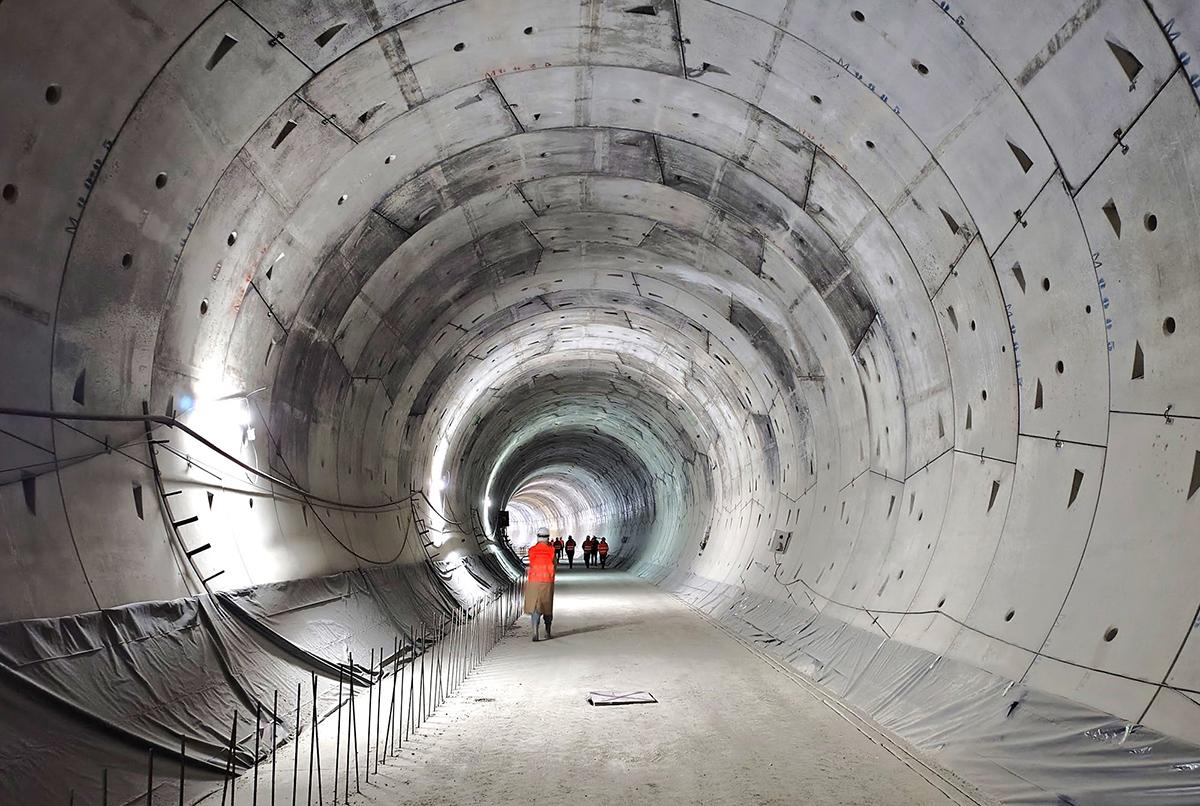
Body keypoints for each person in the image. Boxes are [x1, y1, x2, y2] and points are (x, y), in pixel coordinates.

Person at [525, 528, 556, 641]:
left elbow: (532, 561)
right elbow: (554, 564)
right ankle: (547, 632)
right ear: (548, 537)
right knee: (547, 606)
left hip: (533, 581)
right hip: (547, 581)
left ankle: (535, 631)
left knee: (535, 606)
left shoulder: (532, 550)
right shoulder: (551, 550)